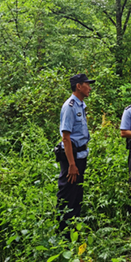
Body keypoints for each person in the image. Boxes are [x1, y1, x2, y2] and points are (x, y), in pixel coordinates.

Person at [57, 73, 94, 233]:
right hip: (72, 159)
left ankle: (74, 230)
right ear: (79, 86)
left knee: (77, 194)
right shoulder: (70, 106)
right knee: (67, 196)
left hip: (80, 157)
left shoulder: (81, 105)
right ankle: (63, 233)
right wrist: (71, 164)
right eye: (87, 84)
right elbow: (66, 138)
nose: (90, 88)